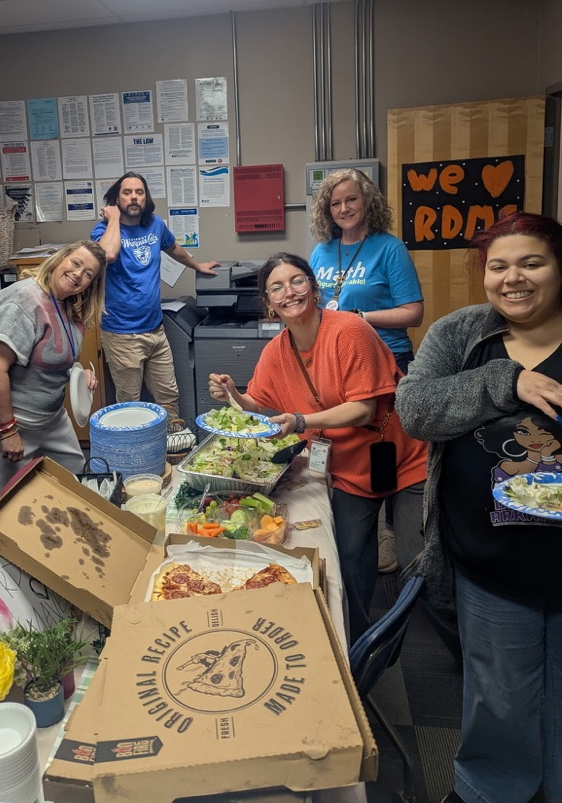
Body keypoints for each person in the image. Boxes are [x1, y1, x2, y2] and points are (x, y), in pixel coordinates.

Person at [396, 211, 562, 803]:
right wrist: (504, 382)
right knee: (499, 693)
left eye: (531, 262)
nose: (513, 278)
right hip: (489, 559)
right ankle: (491, 791)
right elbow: (414, 409)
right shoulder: (462, 335)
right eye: (498, 266)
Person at [208, 251, 427, 642]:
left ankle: (449, 634)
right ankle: (362, 643)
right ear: (268, 302)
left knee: (418, 562)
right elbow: (258, 403)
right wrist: (232, 395)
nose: (288, 292)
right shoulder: (277, 350)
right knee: (351, 559)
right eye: (277, 287)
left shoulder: (350, 331)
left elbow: (363, 410)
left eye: (296, 281)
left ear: (312, 285)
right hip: (348, 469)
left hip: (404, 459)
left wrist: (302, 422)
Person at [310, 168, 424, 574]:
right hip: (339, 367)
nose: (343, 208)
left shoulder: (389, 249)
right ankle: (365, 533)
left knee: (389, 453)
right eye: (335, 202)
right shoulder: (321, 253)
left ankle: (394, 530)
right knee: (350, 451)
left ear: (367, 201)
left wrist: (361, 316)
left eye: (351, 199)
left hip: (388, 363)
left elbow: (414, 312)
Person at [0, 240, 106, 515]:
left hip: (51, 419)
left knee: (72, 479)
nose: (78, 274)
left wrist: (80, 374)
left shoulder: (66, 304)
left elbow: (56, 355)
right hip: (11, 423)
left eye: (88, 274)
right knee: (4, 507)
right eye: (76, 263)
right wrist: (8, 431)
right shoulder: (22, 300)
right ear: (60, 259)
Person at [92, 171, 219, 453]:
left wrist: (196, 266)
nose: (134, 197)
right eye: (127, 192)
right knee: (130, 403)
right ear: (116, 198)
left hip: (155, 328)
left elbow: (172, 247)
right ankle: (134, 455)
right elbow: (107, 255)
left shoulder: (155, 226)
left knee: (168, 396)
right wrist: (113, 219)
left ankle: (174, 452)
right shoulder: (103, 231)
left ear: (146, 197)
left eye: (139, 192)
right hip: (122, 333)